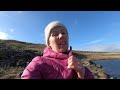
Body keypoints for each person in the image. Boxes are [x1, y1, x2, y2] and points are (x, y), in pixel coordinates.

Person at [21, 21, 94, 79]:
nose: (61, 36)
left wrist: (81, 76)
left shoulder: (78, 63)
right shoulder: (39, 62)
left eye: (63, 33)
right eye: (55, 34)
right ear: (48, 43)